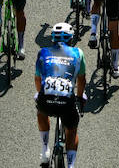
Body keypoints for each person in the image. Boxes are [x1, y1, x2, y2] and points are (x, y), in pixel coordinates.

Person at [35, 23, 86, 168]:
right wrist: (80, 97)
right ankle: (71, 165)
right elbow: (81, 79)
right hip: (67, 103)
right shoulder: (78, 53)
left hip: (47, 101)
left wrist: (39, 94)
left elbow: (37, 79)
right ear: (71, 39)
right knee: (72, 130)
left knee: (41, 110)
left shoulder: (43, 52)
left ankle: (45, 150)